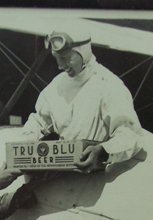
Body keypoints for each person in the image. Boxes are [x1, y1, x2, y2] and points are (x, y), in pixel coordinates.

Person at [20, 22, 144, 172]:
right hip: (63, 177)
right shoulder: (57, 85)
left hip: (97, 181)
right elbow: (39, 121)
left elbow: (130, 135)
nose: (60, 65)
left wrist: (104, 150)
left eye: (65, 58)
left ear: (82, 52)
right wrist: (27, 140)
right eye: (56, 58)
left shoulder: (109, 85)